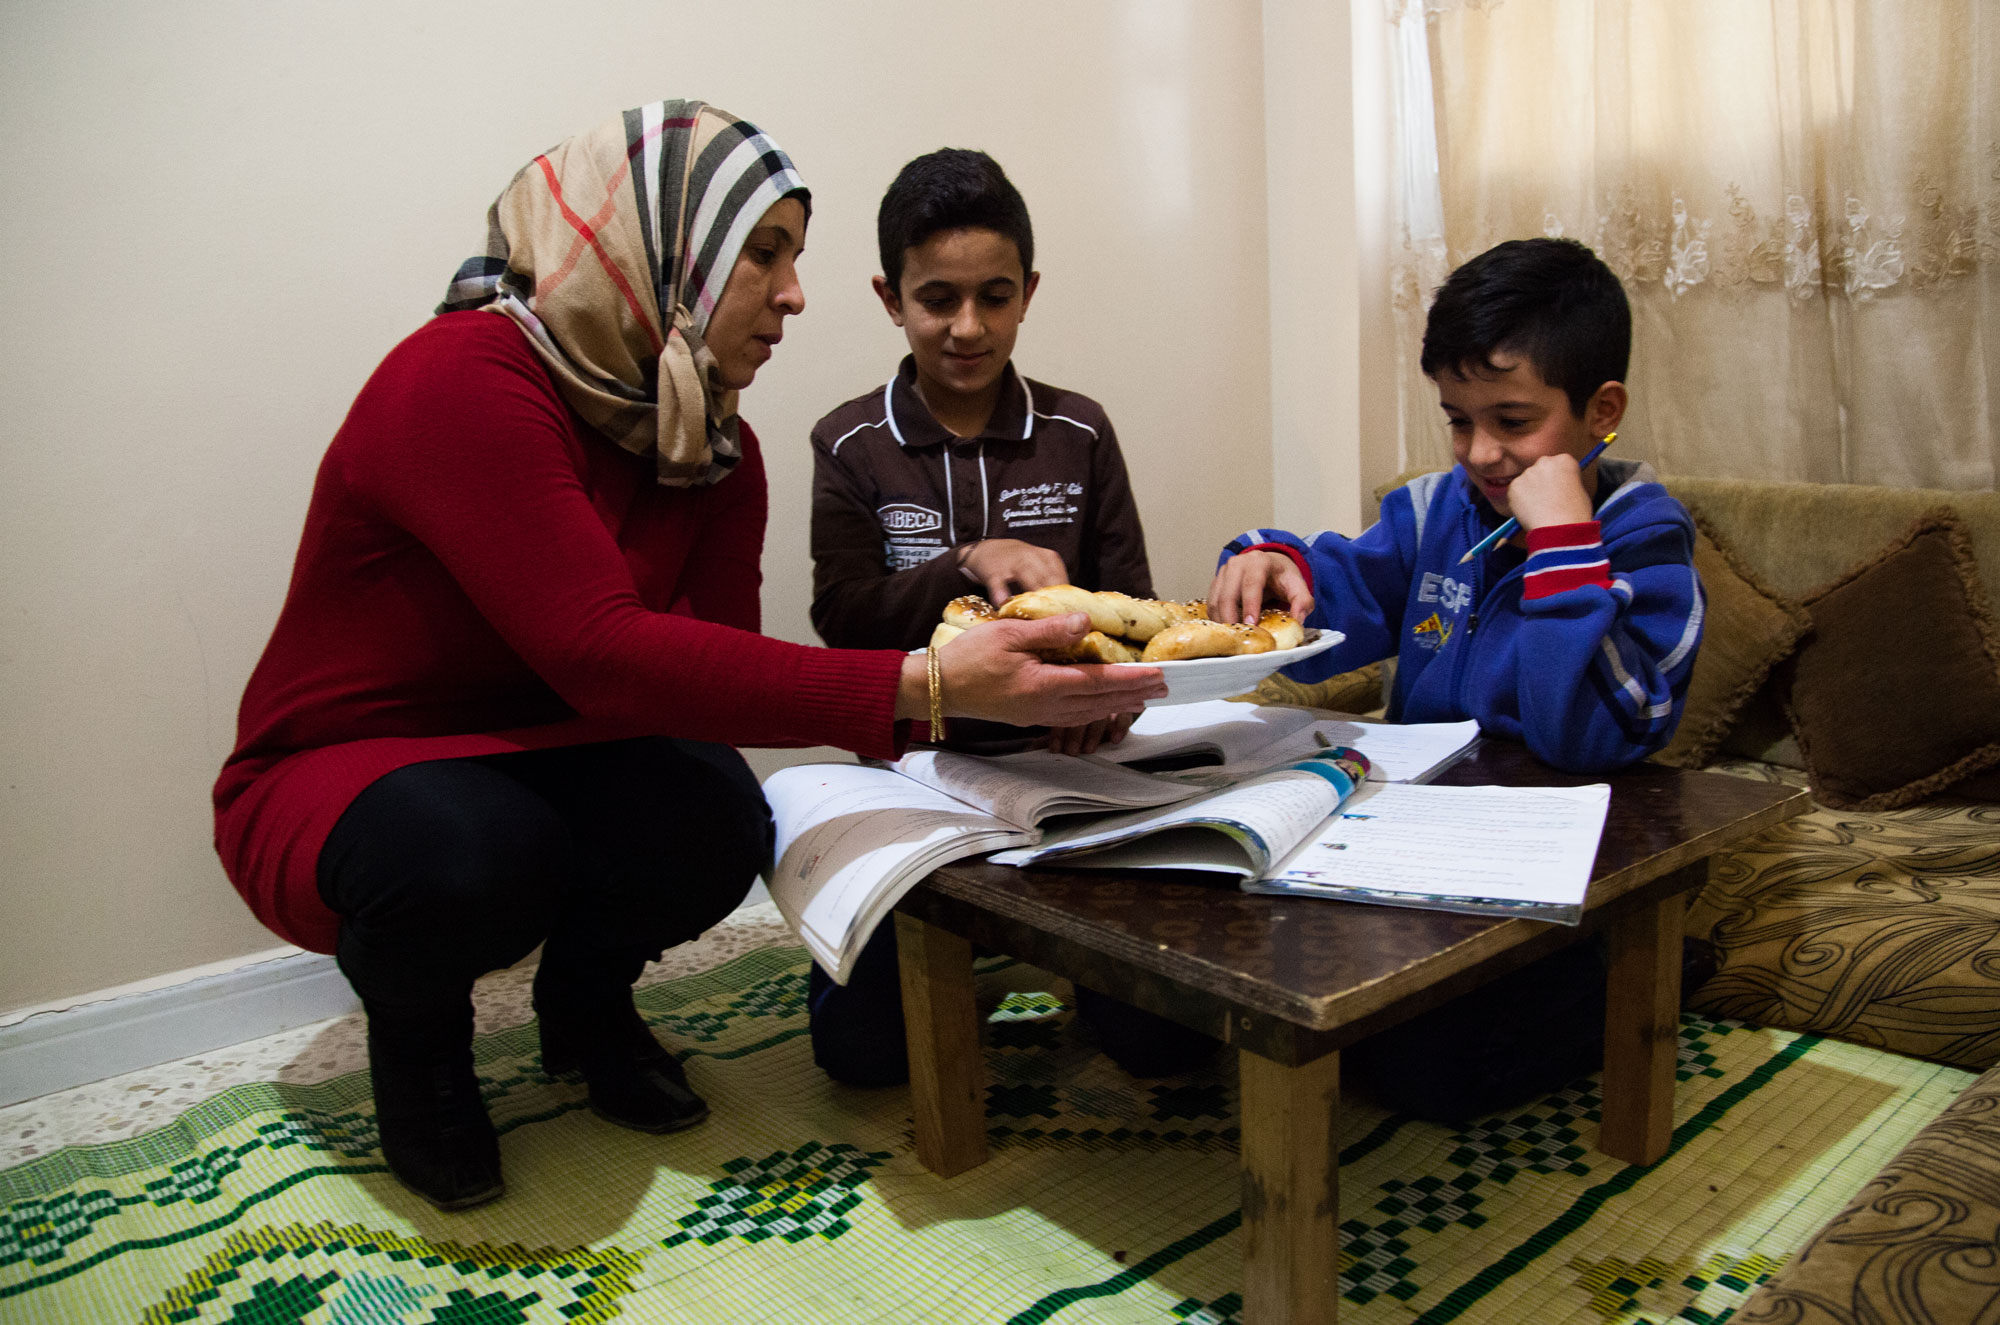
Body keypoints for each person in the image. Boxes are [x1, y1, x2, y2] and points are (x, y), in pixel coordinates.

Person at [212, 101, 1164, 1213]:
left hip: (561, 743)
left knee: (718, 812)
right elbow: (600, 652)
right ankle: (422, 1050)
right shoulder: (466, 376)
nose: (792, 293)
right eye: (764, 254)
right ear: (665, 253)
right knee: (472, 848)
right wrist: (931, 685)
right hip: (358, 764)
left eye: (795, 258)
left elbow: (703, 668)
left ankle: (586, 998)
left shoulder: (711, 438)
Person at [1207, 237, 1704, 1120]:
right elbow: (1340, 596)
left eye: (1512, 421)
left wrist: (1561, 546)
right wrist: (1272, 559)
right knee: (1211, 996)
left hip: (1557, 864)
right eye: (1457, 418)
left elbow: (1588, 731)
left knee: (1424, 1071)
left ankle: (1663, 972)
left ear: (1602, 410)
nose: (1480, 452)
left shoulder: (1644, 537)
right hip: (1414, 842)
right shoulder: (1437, 512)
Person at [799, 148, 1208, 1089]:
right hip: (917, 774)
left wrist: (1112, 699)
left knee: (1167, 1047)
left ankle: (1060, 949)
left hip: (1071, 771)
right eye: (938, 298)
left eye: (994, 295)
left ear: (1028, 291)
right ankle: (941, 949)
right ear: (889, 298)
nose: (967, 326)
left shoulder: (1081, 430)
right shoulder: (850, 442)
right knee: (861, 1057)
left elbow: (1140, 611)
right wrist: (965, 558)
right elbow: (842, 619)